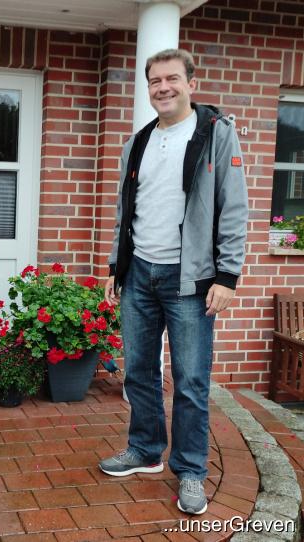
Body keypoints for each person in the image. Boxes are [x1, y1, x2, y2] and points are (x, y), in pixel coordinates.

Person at [99, 49, 248, 515]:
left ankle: (190, 470)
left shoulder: (216, 133)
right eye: (155, 81)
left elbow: (234, 206)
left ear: (190, 83)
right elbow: (125, 211)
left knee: (190, 381)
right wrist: (116, 268)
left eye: (172, 79)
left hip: (191, 280)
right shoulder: (138, 142)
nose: (163, 87)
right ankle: (145, 450)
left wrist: (227, 275)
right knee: (139, 372)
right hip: (139, 274)